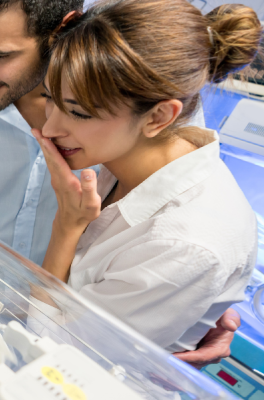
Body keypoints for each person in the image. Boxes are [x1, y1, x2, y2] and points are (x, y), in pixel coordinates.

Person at [0, 0, 239, 367]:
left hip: (40, 355)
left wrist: (191, 299)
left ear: (62, 31)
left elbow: (187, 229)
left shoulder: (136, 120)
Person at [33, 0, 260, 352]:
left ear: (158, 117)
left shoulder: (186, 242)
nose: (49, 127)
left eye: (78, 112)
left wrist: (66, 226)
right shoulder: (118, 158)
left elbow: (52, 345)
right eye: (49, 98)